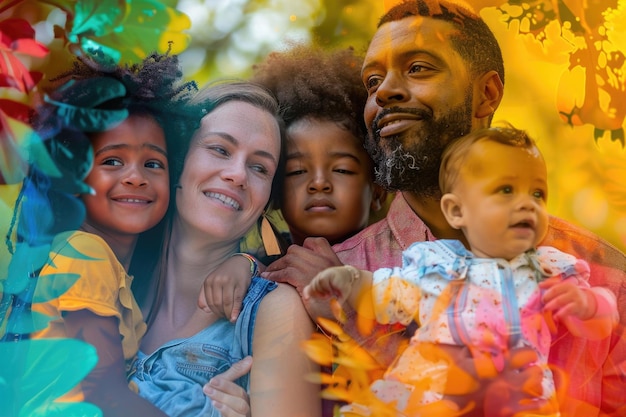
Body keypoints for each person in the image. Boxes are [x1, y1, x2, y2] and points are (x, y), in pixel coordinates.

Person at [262, 1, 626, 416]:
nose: (384, 92)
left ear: (486, 94)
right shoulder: (309, 289)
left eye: (418, 68)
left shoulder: (605, 278)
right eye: (373, 80)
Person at [303, 125, 619, 416]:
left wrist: (589, 306)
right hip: (432, 391)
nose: (527, 204)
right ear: (457, 210)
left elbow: (602, 322)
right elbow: (391, 293)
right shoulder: (439, 265)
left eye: (537, 194)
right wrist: (352, 281)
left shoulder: (549, 268)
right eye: (506, 190)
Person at [128, 79, 321, 417]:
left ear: (265, 202)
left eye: (259, 167)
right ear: (176, 160)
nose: (237, 175)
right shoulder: (107, 278)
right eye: (219, 149)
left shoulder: (275, 310)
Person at [30, 53, 193, 416]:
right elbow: (102, 392)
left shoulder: (98, 261)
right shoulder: (84, 253)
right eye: (112, 161)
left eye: (153, 163)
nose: (136, 177)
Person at [198, 44, 387, 323]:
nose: (319, 183)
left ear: (378, 191)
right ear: (274, 189)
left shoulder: (401, 265)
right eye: (297, 171)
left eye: (343, 170)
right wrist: (246, 264)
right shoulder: (260, 264)